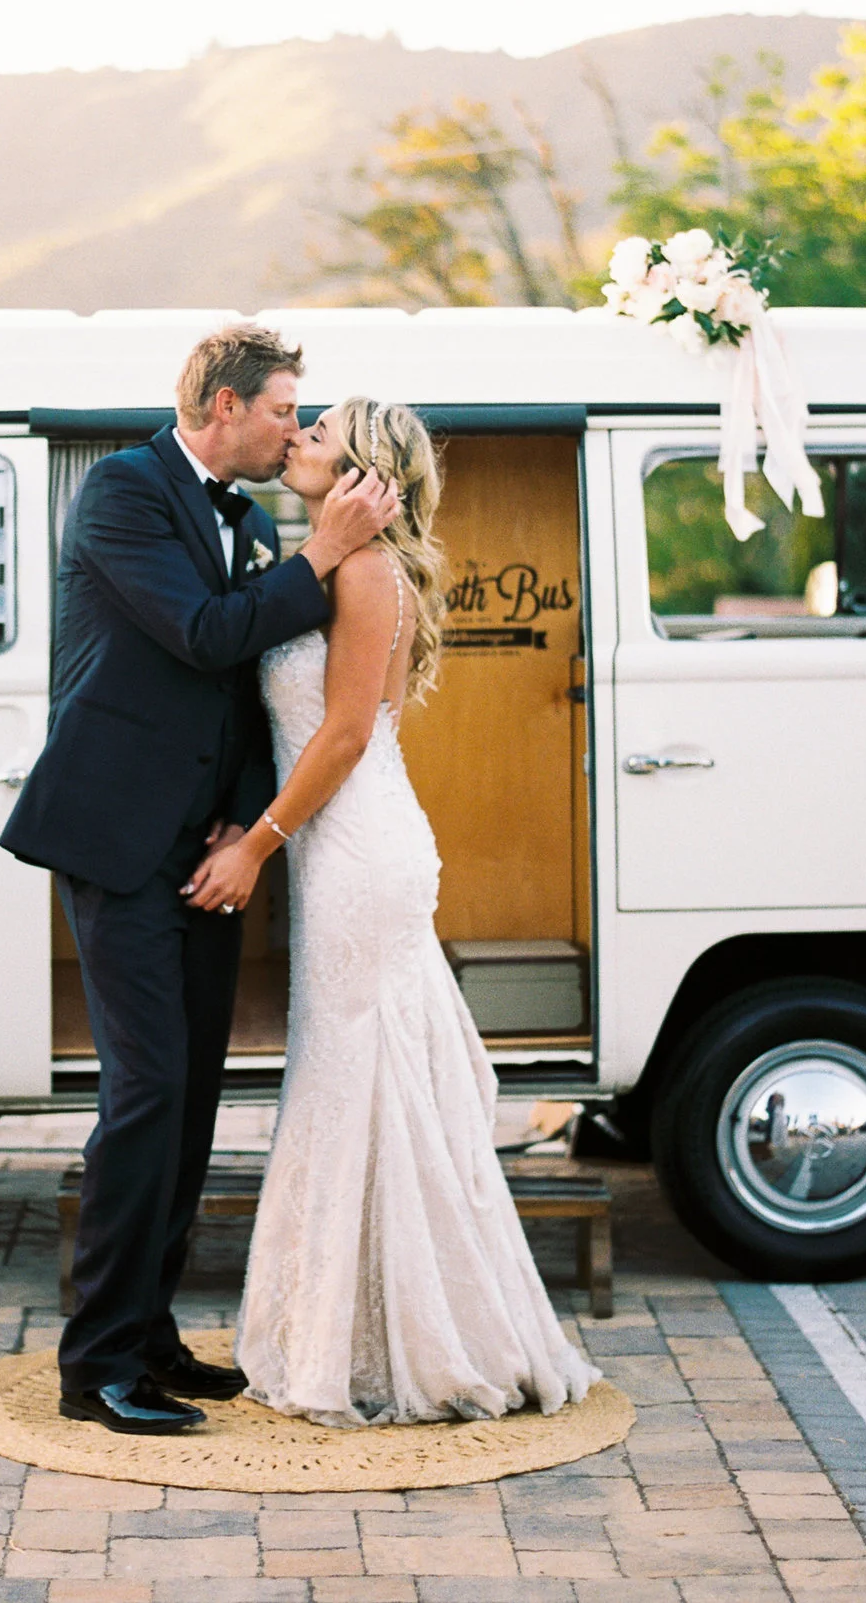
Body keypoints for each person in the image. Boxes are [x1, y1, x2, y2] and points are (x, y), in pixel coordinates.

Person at [0, 324, 400, 1436]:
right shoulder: (125, 493)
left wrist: (238, 812)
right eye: (283, 408)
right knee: (143, 1098)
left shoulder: (243, 515)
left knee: (190, 1100)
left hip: (201, 847)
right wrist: (321, 555)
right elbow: (201, 635)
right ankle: (96, 1367)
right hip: (118, 837)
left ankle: (151, 1333)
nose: (293, 426)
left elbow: (233, 697)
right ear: (222, 406)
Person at [184, 398, 602, 1426]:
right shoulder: (335, 561)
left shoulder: (366, 572)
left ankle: (399, 1342)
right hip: (335, 844)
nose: (298, 443)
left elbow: (339, 740)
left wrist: (253, 845)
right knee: (344, 1080)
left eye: (317, 437)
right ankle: (354, 1331)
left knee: (355, 1080)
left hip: (357, 848)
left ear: (365, 473)